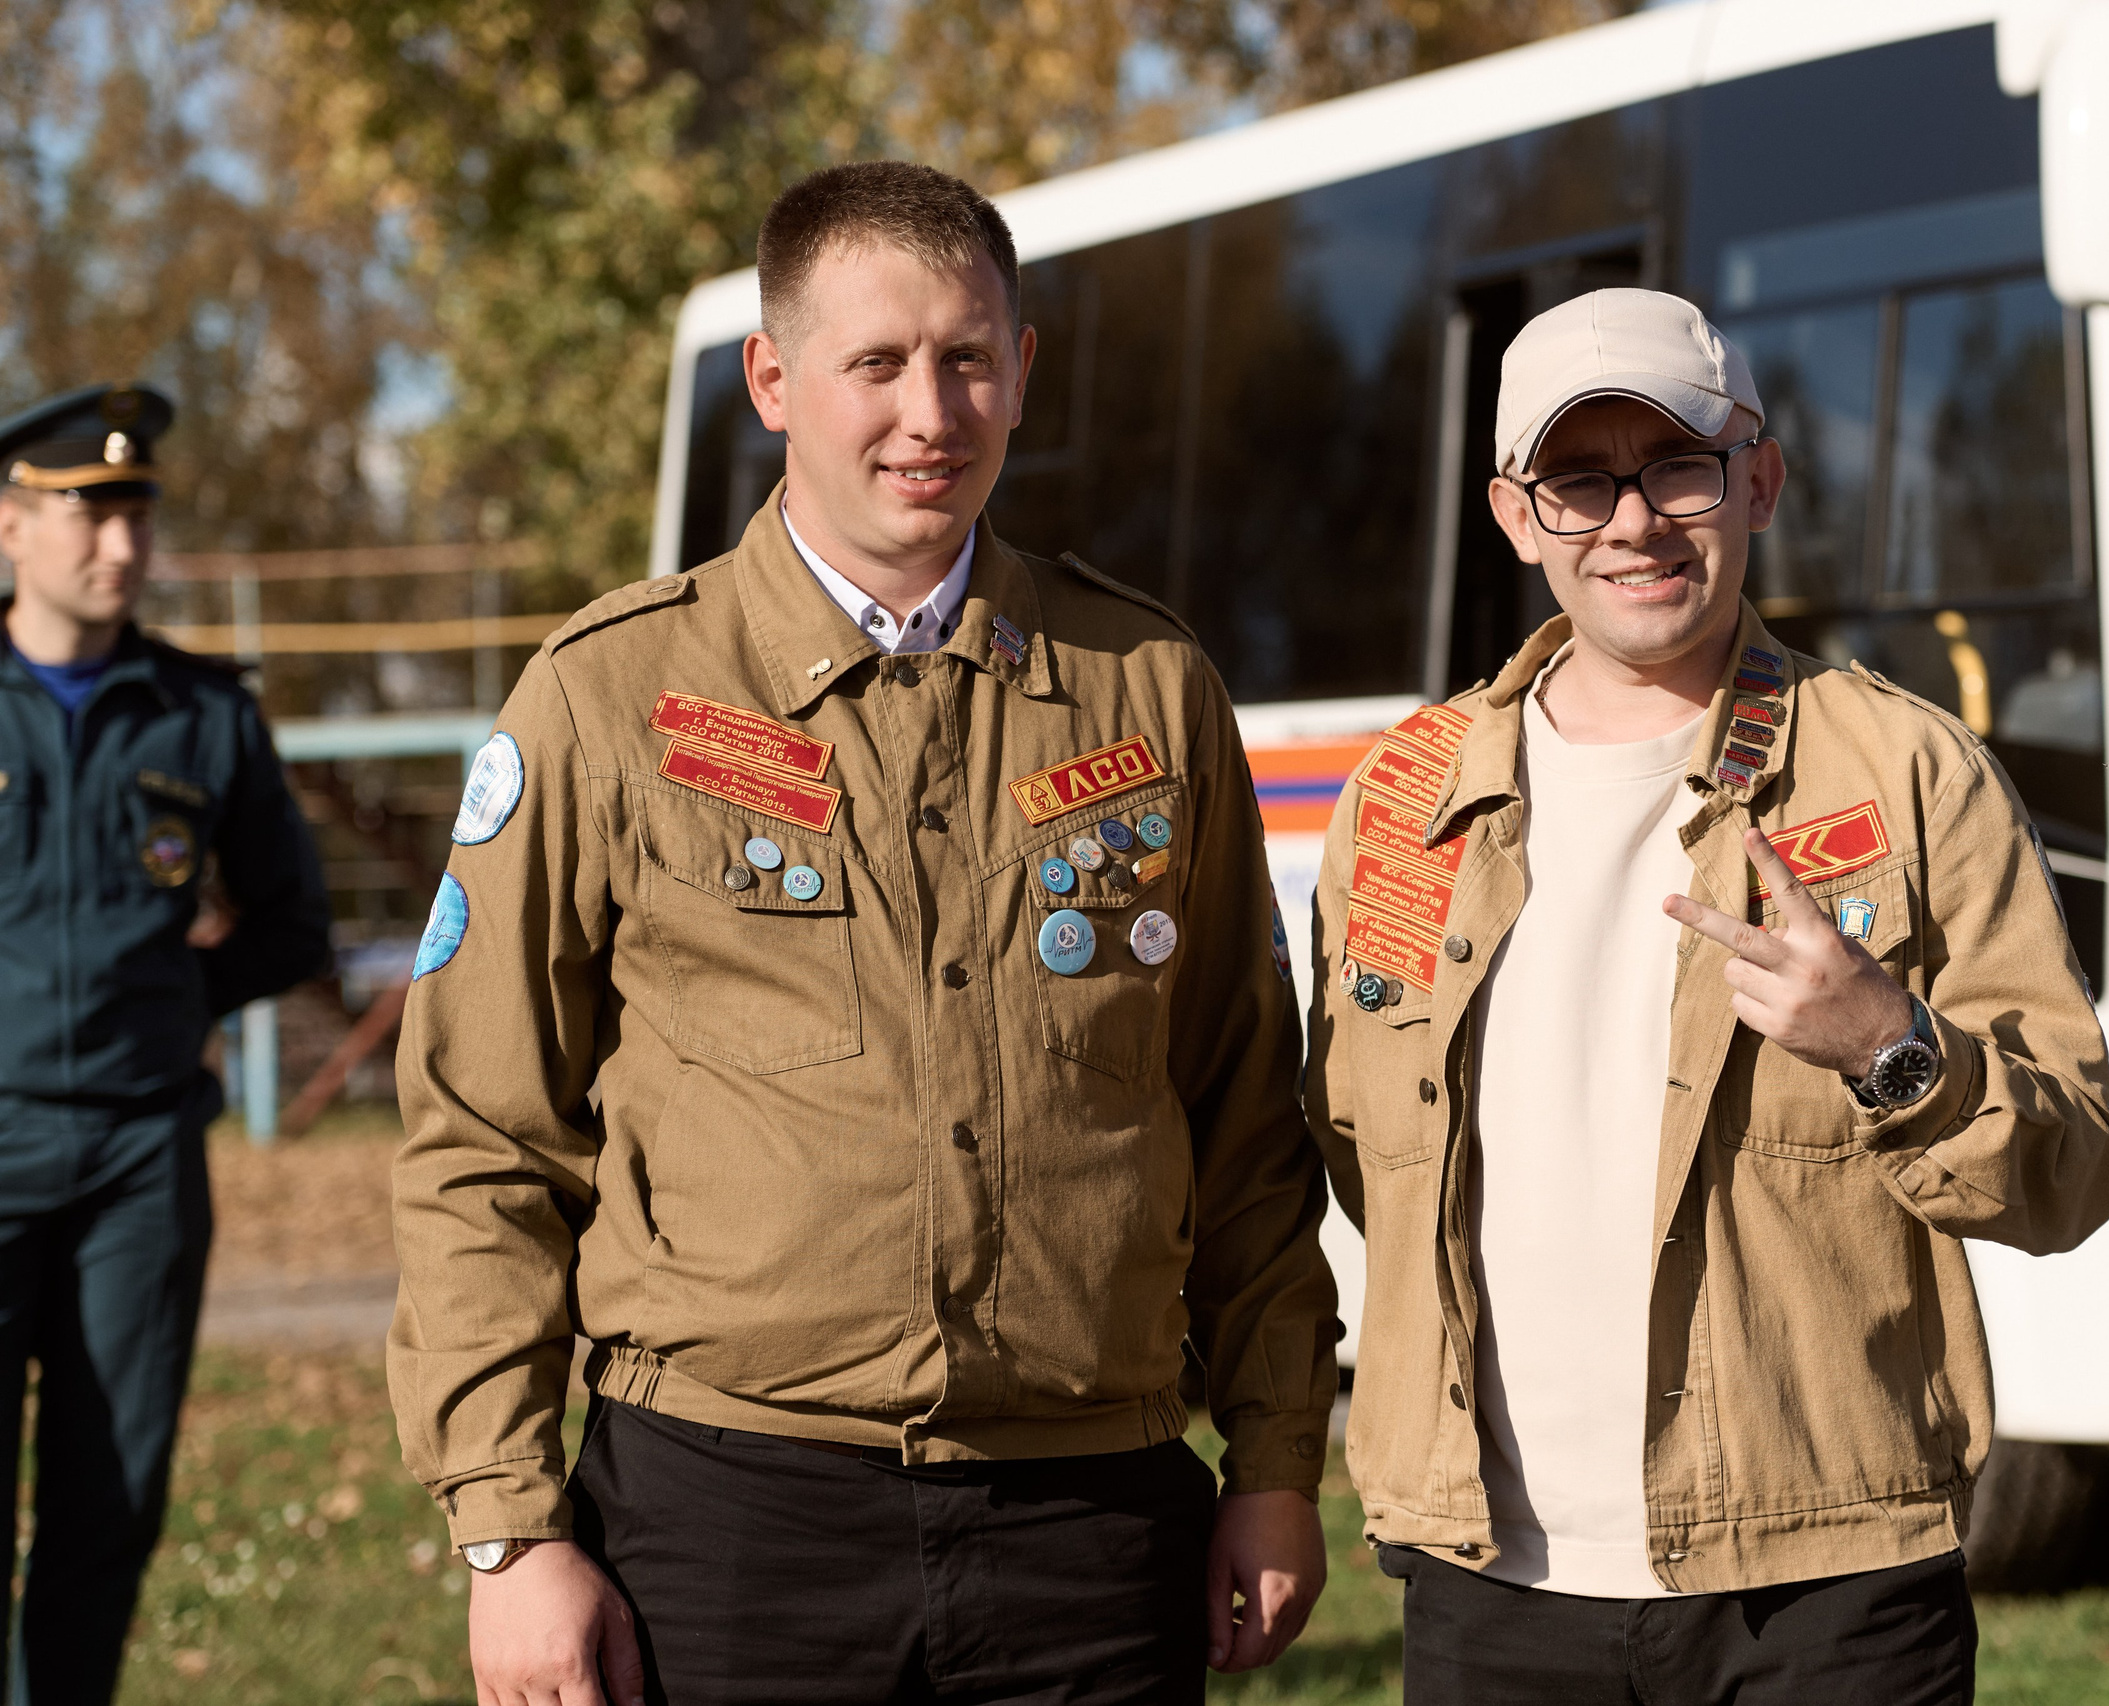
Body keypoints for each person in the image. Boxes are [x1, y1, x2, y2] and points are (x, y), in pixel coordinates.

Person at [390, 160, 1337, 1706]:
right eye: (876, 363)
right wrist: (508, 1529)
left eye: (970, 355)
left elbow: (1244, 1116)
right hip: (728, 1523)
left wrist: (1278, 1457)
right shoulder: (606, 698)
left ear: (1026, 370)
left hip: (1091, 1526)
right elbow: (484, 1136)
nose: (931, 411)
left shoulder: (1150, 689)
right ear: (773, 379)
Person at [1301, 288, 2109, 1702]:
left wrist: (1891, 1044)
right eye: (1580, 480)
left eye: (1676, 464)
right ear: (1516, 515)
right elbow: (1358, 1163)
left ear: (1760, 476)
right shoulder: (1398, 799)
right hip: (1489, 1585)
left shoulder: (1913, 775)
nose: (1632, 520)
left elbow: (2073, 1175)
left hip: (1827, 1588)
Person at [0, 382, 331, 1702]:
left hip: (139, 1164)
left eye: (134, 512)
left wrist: (168, 1001)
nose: (118, 544)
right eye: (86, 512)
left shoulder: (203, 713)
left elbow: (293, 921)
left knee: (109, 1501)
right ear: (10, 525)